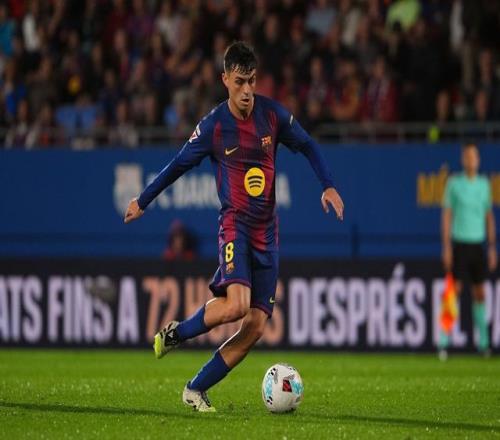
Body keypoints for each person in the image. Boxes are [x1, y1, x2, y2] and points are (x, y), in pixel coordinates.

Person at [124, 42, 344, 411]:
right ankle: (178, 333)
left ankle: (195, 389)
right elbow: (177, 166)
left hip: (267, 234)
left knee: (255, 326)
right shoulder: (213, 126)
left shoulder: (272, 115)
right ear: (224, 79)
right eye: (239, 81)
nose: (246, 90)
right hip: (235, 227)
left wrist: (328, 185)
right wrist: (142, 201)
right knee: (236, 306)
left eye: (252, 81)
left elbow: (307, 145)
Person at [441, 143, 497, 358]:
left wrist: (492, 247)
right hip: (460, 244)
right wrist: (446, 246)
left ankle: (484, 343)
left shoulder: (484, 185)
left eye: (474, 156)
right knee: (453, 292)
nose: (471, 160)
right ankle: (443, 341)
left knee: (480, 293)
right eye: (467, 156)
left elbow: (489, 217)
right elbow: (447, 216)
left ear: (478, 160)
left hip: (478, 244)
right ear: (463, 160)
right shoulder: (454, 184)